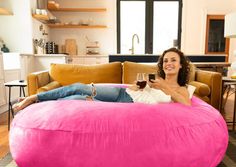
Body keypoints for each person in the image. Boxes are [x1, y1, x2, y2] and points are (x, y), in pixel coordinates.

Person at [13, 47, 192, 112]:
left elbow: (186, 104)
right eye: (166, 60)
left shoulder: (182, 88)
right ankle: (33, 98)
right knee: (78, 87)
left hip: (126, 104)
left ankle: (40, 105)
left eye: (173, 60)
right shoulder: (156, 79)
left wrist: (164, 87)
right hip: (121, 93)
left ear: (181, 65)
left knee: (77, 99)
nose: (169, 63)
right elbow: (135, 89)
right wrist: (139, 86)